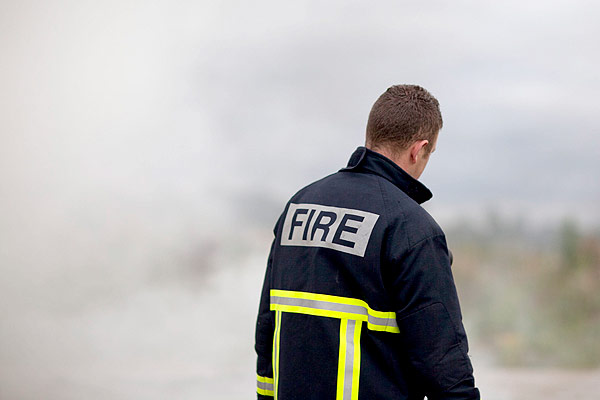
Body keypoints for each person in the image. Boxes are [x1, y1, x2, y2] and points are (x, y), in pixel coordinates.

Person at [255, 85, 480, 400]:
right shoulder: (411, 228)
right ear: (419, 149)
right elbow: (443, 365)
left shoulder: (299, 206)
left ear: (371, 135)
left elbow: (267, 330)